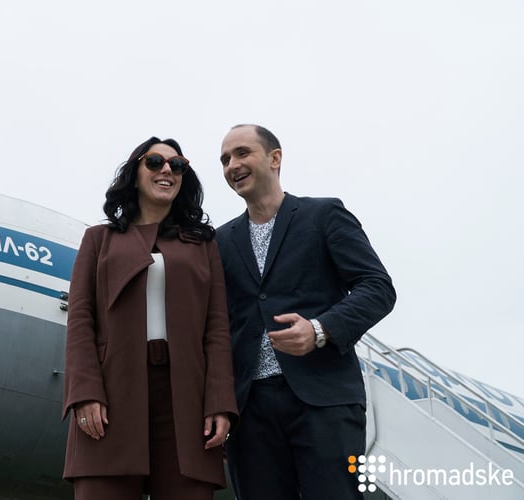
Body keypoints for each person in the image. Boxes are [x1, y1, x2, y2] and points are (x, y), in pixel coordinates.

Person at [215, 124, 396, 499]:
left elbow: (378, 287)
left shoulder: (324, 214)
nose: (232, 165)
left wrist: (319, 329)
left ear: (275, 158)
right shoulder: (221, 241)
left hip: (324, 401)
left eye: (242, 153)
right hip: (250, 410)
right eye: (225, 160)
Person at [62, 137, 239, 499]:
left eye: (178, 165)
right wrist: (84, 393)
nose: (167, 170)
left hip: (185, 400)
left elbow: (217, 329)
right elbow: (80, 320)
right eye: (155, 162)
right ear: (135, 172)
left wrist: (220, 402)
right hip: (112, 392)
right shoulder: (98, 240)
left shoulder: (203, 246)